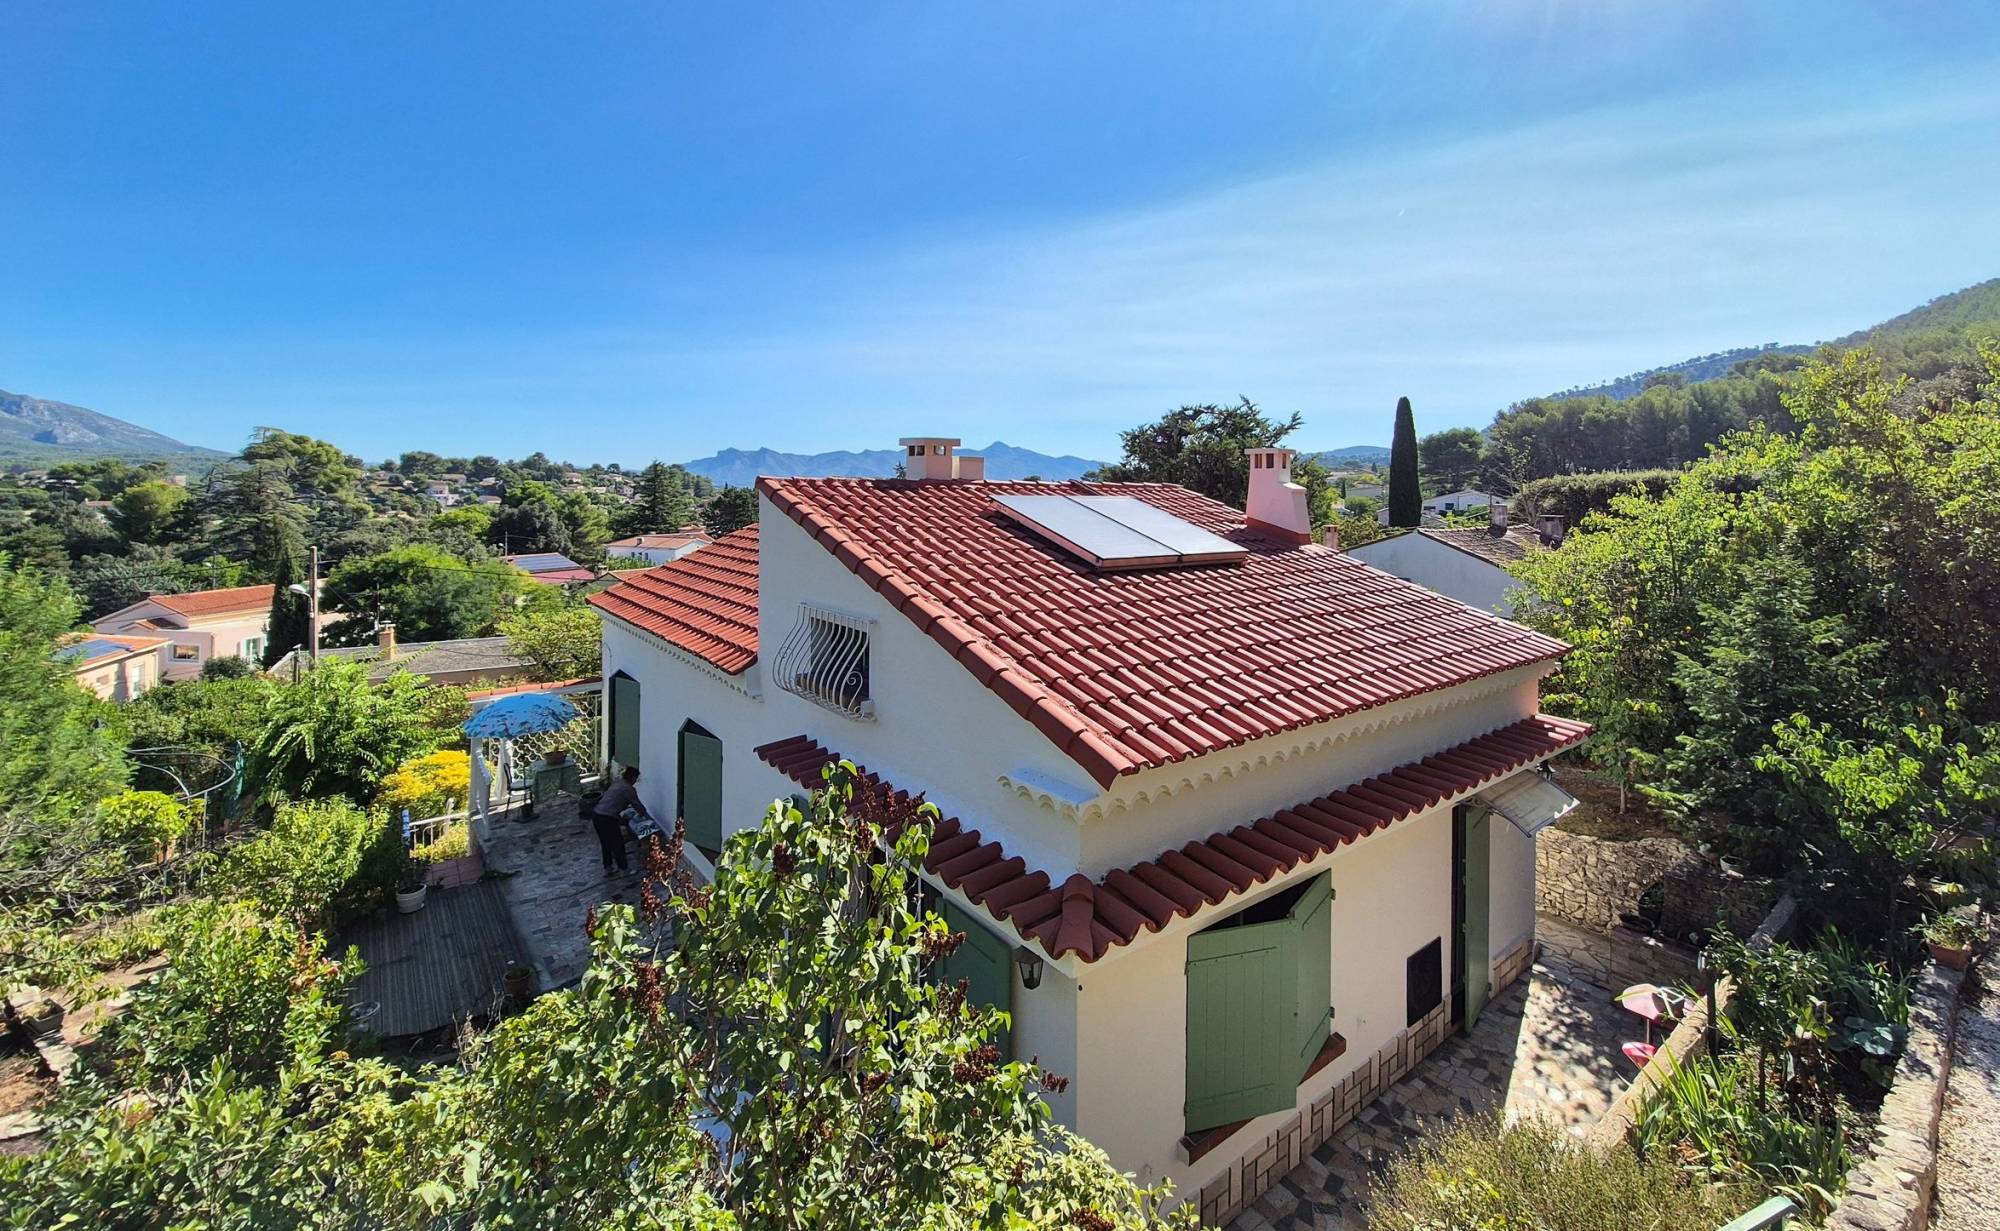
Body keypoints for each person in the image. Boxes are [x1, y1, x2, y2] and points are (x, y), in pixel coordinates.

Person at [590, 766, 647, 875]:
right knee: (617, 843)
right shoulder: (628, 789)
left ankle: (608, 867)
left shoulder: (617, 783)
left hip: (597, 814)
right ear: (633, 778)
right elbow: (638, 806)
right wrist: (643, 815)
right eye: (636, 779)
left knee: (605, 843)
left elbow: (613, 802)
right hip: (607, 818)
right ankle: (624, 869)